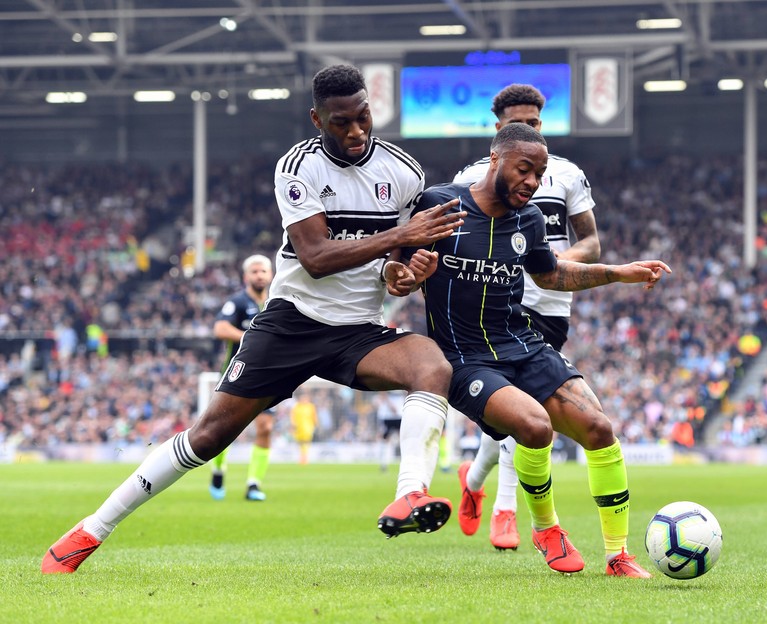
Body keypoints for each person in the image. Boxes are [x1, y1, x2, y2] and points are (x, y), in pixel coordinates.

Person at [41, 64, 467, 574]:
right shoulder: (298, 166)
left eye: (362, 117)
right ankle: (92, 529)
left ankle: (409, 495)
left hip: (359, 329)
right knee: (208, 438)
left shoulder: (404, 173)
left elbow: (393, 270)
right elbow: (314, 256)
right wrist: (401, 241)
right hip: (292, 321)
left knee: (432, 366)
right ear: (317, 119)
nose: (355, 131)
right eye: (340, 123)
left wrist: (407, 272)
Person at [402, 122, 670, 576]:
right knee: (535, 426)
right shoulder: (439, 203)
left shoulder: (527, 220)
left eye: (539, 174)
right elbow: (399, 270)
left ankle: (617, 555)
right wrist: (406, 276)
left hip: (522, 343)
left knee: (599, 428)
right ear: (495, 159)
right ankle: (547, 529)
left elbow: (549, 275)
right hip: (464, 357)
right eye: (524, 169)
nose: (531, 182)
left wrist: (618, 272)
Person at [453, 83, 600, 551]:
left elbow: (592, 241)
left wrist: (549, 263)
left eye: (536, 123)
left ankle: (473, 480)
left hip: (551, 305)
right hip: (494, 302)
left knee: (515, 420)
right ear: (499, 129)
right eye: (519, 123)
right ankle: (505, 512)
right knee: (523, 415)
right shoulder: (470, 178)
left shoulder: (567, 174)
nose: (529, 129)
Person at [209, 254, 275, 501]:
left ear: (270, 275)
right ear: (247, 276)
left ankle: (253, 484)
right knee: (224, 428)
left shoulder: (277, 302)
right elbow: (220, 328)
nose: (259, 275)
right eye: (255, 271)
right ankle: (218, 470)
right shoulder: (237, 302)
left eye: (263, 271)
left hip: (269, 375)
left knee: (265, 428)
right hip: (236, 372)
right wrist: (250, 338)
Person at [290, 390, 319, 465]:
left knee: (306, 442)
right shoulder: (297, 406)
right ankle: (302, 457)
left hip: (308, 427)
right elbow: (292, 416)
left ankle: (304, 458)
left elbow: (314, 416)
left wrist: (316, 424)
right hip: (298, 427)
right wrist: (293, 425)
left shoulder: (311, 406)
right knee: (300, 442)